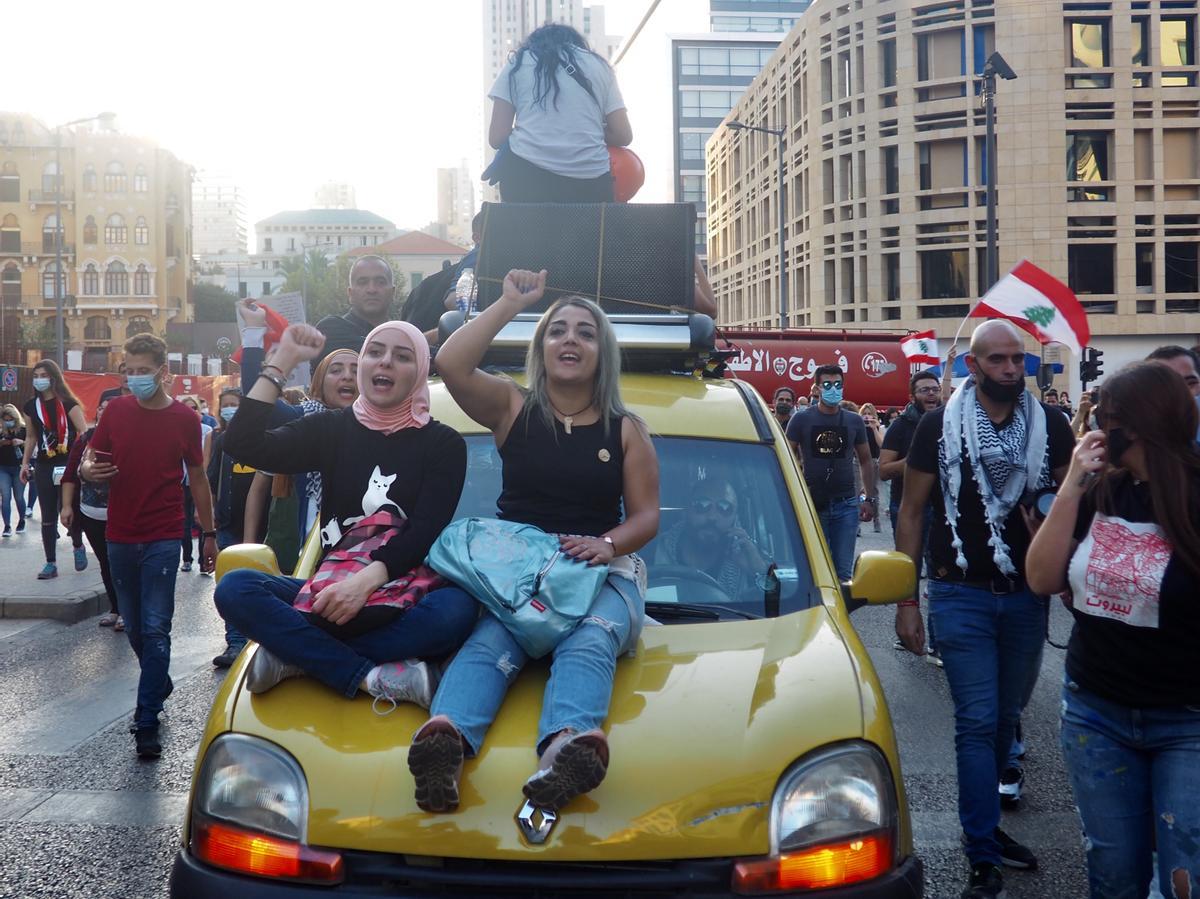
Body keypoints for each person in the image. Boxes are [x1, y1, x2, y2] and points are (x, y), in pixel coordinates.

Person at [410, 269, 659, 814]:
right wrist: (508, 304)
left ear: (603, 353)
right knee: (489, 645)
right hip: (516, 576)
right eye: (557, 330)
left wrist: (608, 544)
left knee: (590, 639)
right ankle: (444, 744)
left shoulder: (626, 429)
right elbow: (449, 364)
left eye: (586, 333)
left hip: (599, 573)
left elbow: (646, 517)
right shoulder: (511, 407)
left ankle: (564, 752)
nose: (570, 339)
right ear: (540, 346)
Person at [895, 320, 1075, 899]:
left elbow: (1074, 502)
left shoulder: (1051, 425)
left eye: (1016, 360)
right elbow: (913, 511)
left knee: (1005, 717)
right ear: (972, 367)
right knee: (975, 722)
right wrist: (906, 598)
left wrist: (1051, 527)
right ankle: (980, 852)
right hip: (959, 591)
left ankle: (989, 832)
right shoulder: (936, 426)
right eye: (995, 359)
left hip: (1026, 595)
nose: (1008, 369)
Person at [212, 322, 478, 712]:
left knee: (457, 610)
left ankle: (296, 657)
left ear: (420, 369)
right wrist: (281, 359)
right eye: (376, 352)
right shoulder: (330, 429)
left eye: (402, 356)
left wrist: (364, 584)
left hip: (404, 594)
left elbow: (424, 532)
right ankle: (366, 675)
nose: (385, 361)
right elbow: (241, 444)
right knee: (235, 588)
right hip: (328, 594)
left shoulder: (444, 444)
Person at [1026, 362, 1200, 899]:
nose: (1096, 427)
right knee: (1115, 871)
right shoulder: (1103, 492)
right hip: (1096, 711)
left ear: (1136, 425)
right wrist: (1074, 486)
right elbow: (1041, 578)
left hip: (1187, 720)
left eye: (1106, 418)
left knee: (1184, 879)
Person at [82, 334, 217, 759]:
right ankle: (157, 680)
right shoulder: (116, 412)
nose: (135, 378)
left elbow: (197, 476)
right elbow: (90, 459)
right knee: (137, 628)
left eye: (143, 370)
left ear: (163, 372)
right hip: (120, 534)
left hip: (163, 534)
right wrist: (89, 471)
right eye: (130, 370)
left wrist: (209, 532)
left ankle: (146, 718)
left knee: (156, 627)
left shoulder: (184, 420)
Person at [487, 24, 632, 203]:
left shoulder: (518, 62)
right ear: (577, 43)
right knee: (589, 232)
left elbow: (497, 137)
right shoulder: (600, 66)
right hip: (590, 182)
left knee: (526, 232)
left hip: (525, 180)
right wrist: (583, 128)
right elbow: (623, 135)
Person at [785, 364, 874, 580]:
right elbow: (787, 456)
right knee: (816, 570)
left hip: (846, 504)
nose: (833, 388)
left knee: (843, 573)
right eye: (827, 384)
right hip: (813, 503)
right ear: (816, 388)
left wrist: (868, 497)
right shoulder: (801, 419)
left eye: (837, 384)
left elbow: (866, 460)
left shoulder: (854, 421)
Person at [879, 370, 943, 659]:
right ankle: (908, 631)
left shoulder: (948, 421)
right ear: (911, 396)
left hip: (942, 509)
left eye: (934, 389)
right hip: (906, 507)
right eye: (924, 390)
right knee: (910, 570)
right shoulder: (901, 427)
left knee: (941, 571)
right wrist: (917, 459)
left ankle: (938, 641)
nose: (931, 394)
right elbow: (883, 470)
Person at [205, 388, 260, 668]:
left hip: (262, 527)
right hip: (229, 524)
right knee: (230, 585)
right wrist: (209, 516)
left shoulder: (263, 440)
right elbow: (211, 480)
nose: (229, 410)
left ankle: (260, 639)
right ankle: (235, 642)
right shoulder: (222, 441)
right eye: (224, 405)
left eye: (234, 405)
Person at [20, 359, 87, 579]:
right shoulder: (31, 406)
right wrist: (25, 463)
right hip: (43, 466)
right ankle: (50, 563)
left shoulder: (69, 403)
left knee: (68, 510)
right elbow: (30, 436)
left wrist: (82, 463)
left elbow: (84, 434)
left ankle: (78, 545)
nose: (40, 380)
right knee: (47, 514)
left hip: (67, 465)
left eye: (44, 375)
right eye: (36, 376)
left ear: (54, 377)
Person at [60, 397, 121, 631]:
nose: (105, 412)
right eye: (102, 408)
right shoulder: (85, 439)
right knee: (106, 562)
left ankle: (128, 609)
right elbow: (69, 476)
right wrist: (67, 507)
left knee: (122, 562)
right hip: (91, 513)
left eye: (111, 408)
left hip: (122, 513)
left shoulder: (128, 437)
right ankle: (115, 608)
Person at [653, 478, 769, 600]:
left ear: (735, 517)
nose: (712, 517)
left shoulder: (748, 560)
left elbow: (779, 607)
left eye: (725, 508)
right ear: (686, 509)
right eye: (702, 505)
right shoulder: (651, 553)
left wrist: (759, 572)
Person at [315, 255, 397, 359]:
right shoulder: (331, 330)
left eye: (380, 282)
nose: (371, 290)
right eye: (363, 283)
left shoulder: (400, 333)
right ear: (350, 293)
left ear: (393, 292)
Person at [177, 396, 213, 573]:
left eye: (194, 408)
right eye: (187, 408)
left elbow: (205, 460)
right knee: (184, 522)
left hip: (198, 481)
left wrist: (201, 480)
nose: (191, 411)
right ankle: (187, 559)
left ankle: (203, 561)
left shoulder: (207, 430)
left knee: (201, 521)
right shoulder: (175, 430)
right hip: (181, 482)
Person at [0, 404, 28, 537]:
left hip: (18, 467)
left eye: (10, 419)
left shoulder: (24, 430)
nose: (8, 422)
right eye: (5, 419)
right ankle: (7, 526)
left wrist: (22, 442)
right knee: (5, 497)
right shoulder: (1, 431)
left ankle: (22, 521)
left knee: (19, 497)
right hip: (3, 468)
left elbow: (33, 445)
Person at [859, 403, 885, 533]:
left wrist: (874, 429)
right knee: (856, 491)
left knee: (872, 491)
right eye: (864, 413)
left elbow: (882, 444)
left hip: (873, 461)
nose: (867, 416)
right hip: (856, 461)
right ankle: (857, 522)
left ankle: (876, 519)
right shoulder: (858, 427)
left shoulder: (877, 427)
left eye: (869, 414)